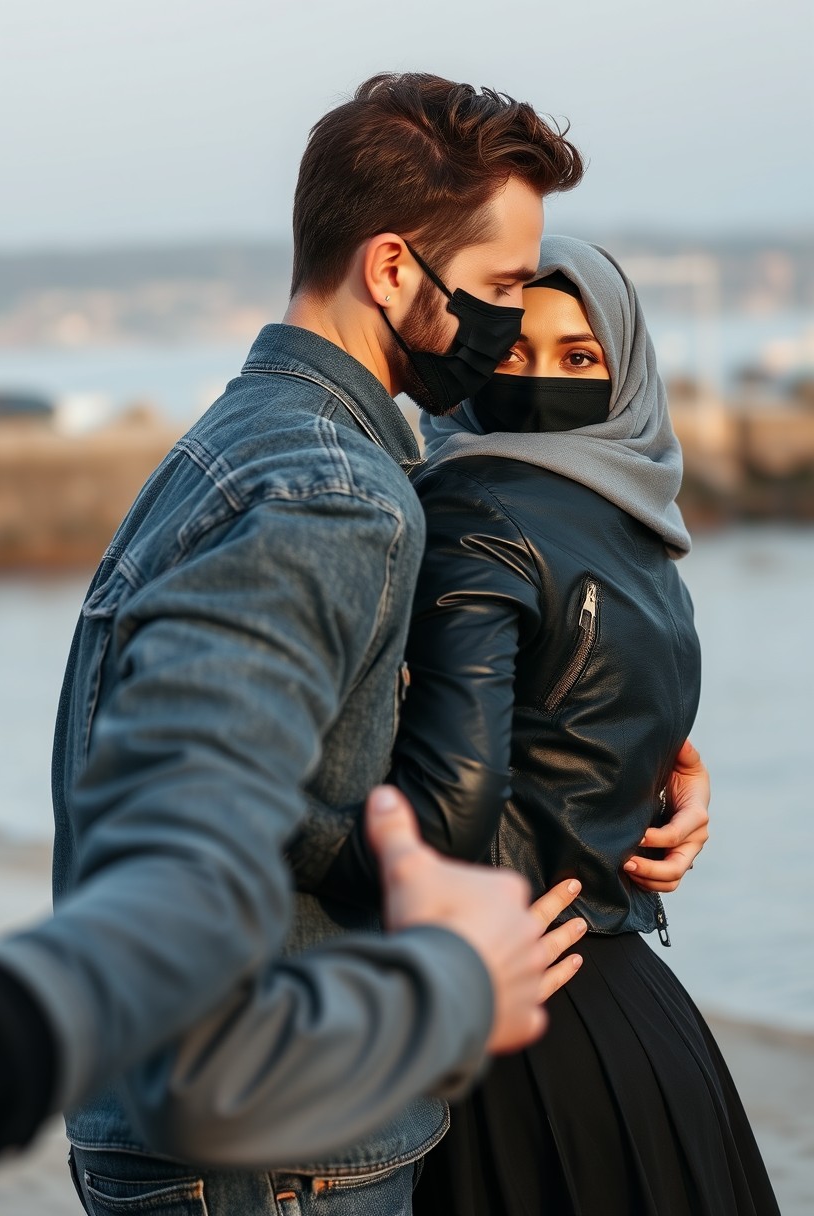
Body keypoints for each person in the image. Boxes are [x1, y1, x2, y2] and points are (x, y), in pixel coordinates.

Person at [0, 73, 599, 1213]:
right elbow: (199, 814)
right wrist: (457, 976)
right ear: (392, 269)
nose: (510, 320)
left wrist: (629, 754)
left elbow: (295, 780)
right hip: (277, 1152)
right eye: (501, 286)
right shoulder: (335, 495)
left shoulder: (241, 440)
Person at [307, 236, 776, 1214]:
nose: (537, 382)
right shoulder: (644, 529)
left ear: (621, 369)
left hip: (508, 1030)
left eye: (576, 358)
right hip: (639, 1016)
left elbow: (451, 821)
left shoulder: (466, 508)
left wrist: (270, 832)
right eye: (511, 351)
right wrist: (669, 781)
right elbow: (593, 733)